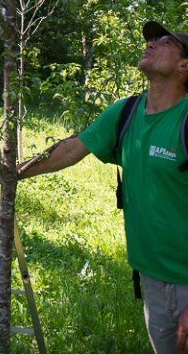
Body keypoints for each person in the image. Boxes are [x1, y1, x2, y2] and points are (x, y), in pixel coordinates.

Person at [13, 21, 188, 354]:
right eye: (150, 39)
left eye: (164, 42)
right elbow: (72, 147)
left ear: (184, 66)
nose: (151, 44)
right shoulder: (126, 113)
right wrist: (15, 171)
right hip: (151, 277)